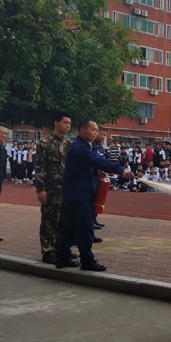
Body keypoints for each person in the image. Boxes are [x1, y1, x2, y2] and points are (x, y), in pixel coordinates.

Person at [54, 119, 132, 271]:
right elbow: (97, 161)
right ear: (83, 130)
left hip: (76, 193)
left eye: (97, 130)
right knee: (85, 228)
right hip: (78, 194)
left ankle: (62, 257)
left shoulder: (87, 146)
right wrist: (121, 170)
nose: (96, 133)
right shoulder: (79, 148)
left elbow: (95, 163)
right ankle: (87, 261)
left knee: (69, 227)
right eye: (93, 130)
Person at [34, 111, 72, 264]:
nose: (67, 126)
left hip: (65, 189)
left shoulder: (69, 144)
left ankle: (60, 249)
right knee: (49, 221)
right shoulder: (44, 143)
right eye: (65, 123)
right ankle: (48, 251)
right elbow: (40, 168)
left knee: (63, 221)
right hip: (50, 189)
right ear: (56, 123)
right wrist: (40, 189)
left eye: (69, 124)